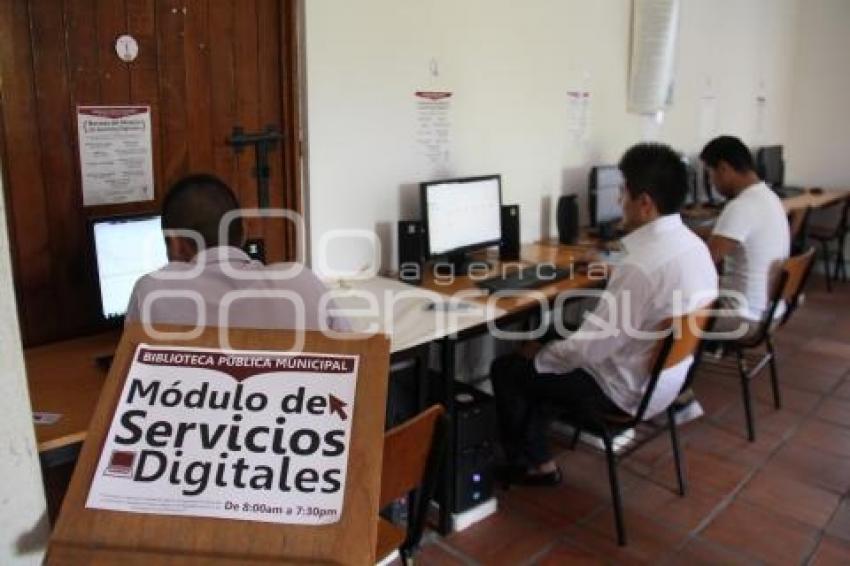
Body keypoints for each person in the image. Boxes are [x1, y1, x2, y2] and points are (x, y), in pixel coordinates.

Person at [491, 143, 717, 485]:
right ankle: (539, 434)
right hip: (665, 385)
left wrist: (540, 357)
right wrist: (616, 273)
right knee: (554, 338)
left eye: (623, 192)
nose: (618, 202)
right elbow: (650, 295)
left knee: (511, 368)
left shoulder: (640, 267)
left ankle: (535, 465)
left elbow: (589, 349)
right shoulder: (693, 246)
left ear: (644, 203)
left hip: (622, 394)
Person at [126, 173, 348, 332]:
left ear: (176, 244)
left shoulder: (149, 293)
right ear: (244, 232)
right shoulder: (302, 281)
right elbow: (357, 360)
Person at [699, 136, 790, 337]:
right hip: (771, 310)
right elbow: (722, 232)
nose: (712, 183)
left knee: (662, 311)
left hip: (743, 317)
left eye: (711, 174)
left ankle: (674, 365)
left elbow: (703, 263)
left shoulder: (740, 207)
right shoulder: (767, 196)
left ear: (723, 169)